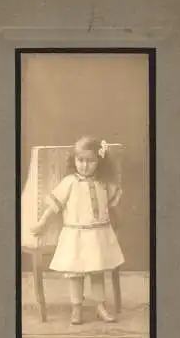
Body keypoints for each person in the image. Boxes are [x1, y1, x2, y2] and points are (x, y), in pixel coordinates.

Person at [31, 136, 125, 324]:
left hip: (98, 234)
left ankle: (100, 306)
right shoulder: (69, 182)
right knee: (75, 275)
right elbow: (54, 206)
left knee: (97, 272)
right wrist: (42, 224)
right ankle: (76, 308)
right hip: (76, 234)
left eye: (90, 161)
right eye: (80, 160)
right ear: (74, 160)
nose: (84, 165)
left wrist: (115, 220)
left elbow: (112, 205)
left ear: (99, 161)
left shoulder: (103, 182)